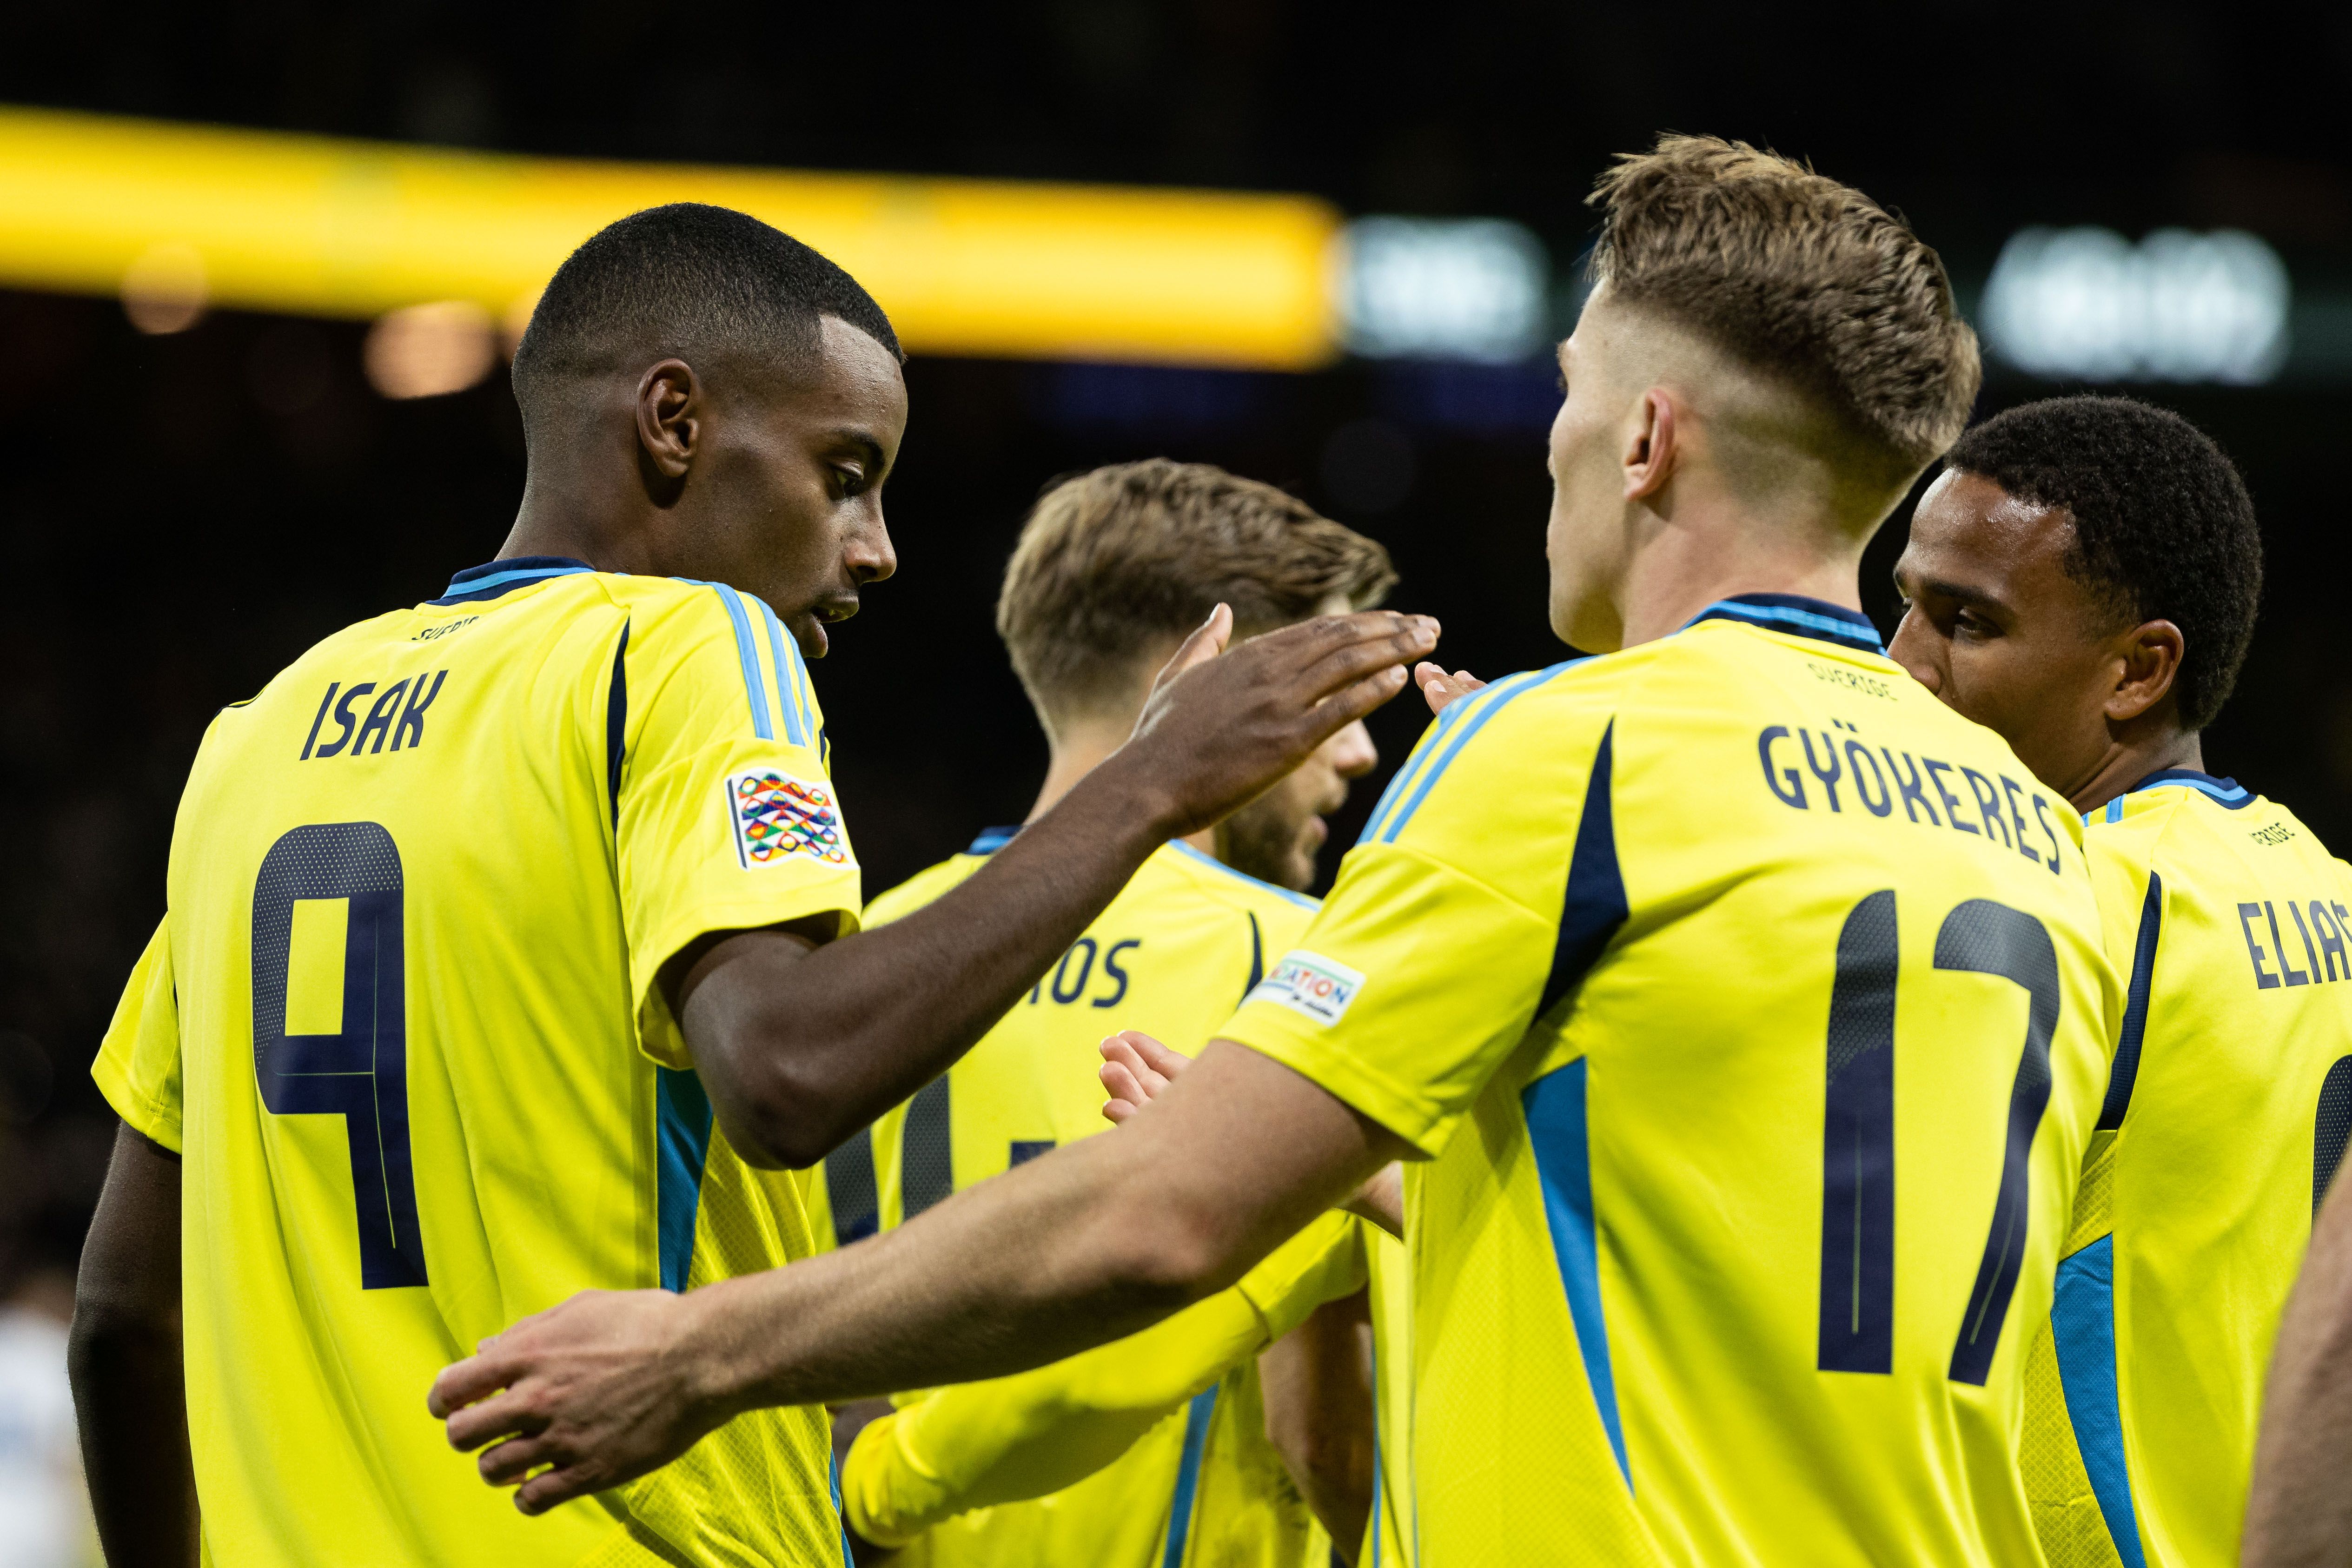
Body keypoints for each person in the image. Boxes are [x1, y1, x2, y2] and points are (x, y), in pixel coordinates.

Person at [431, 137, 2123, 1565]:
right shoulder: (2050, 846)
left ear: (1643, 439)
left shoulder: (1568, 751)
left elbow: (1163, 1216)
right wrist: (1400, 1178)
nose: (1547, 440)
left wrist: (699, 1352)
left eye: (1564, 394)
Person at [66, 203, 1436, 1568]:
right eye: (845, 473)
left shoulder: (259, 738)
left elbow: (124, 1312)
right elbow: (786, 1072)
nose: (876, 544)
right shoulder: (683, 644)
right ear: (674, 422)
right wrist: (1152, 783)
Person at [819, 458, 1393, 1568]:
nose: (1359, 747)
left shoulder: (870, 951)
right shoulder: (1305, 962)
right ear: (1209, 674)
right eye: (1327, 686)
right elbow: (1322, 1441)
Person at [1884, 396, 2337, 1568]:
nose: (1901, 664)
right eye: (1904, 604)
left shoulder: (2055, 899)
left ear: (2138, 670)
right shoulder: (2327, 886)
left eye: (1965, 623)